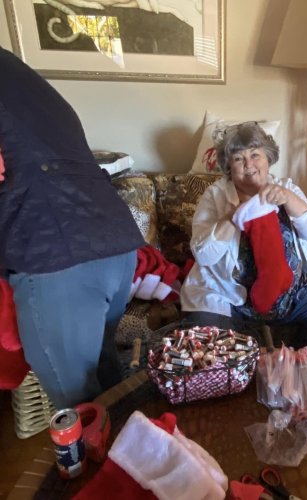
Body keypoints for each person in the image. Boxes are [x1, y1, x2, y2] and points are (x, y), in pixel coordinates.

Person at [0, 47, 145, 408]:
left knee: (78, 411)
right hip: (112, 242)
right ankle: (129, 455)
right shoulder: (19, 73)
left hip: (58, 252)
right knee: (108, 383)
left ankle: (104, 461)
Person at [181, 122, 307, 350]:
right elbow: (203, 256)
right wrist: (232, 218)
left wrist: (288, 198)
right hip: (227, 293)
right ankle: (249, 355)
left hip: (289, 288)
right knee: (205, 335)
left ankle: (287, 358)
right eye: (239, 158)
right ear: (229, 166)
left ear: (268, 158)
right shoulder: (214, 196)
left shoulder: (284, 187)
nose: (249, 164)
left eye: (255, 155)